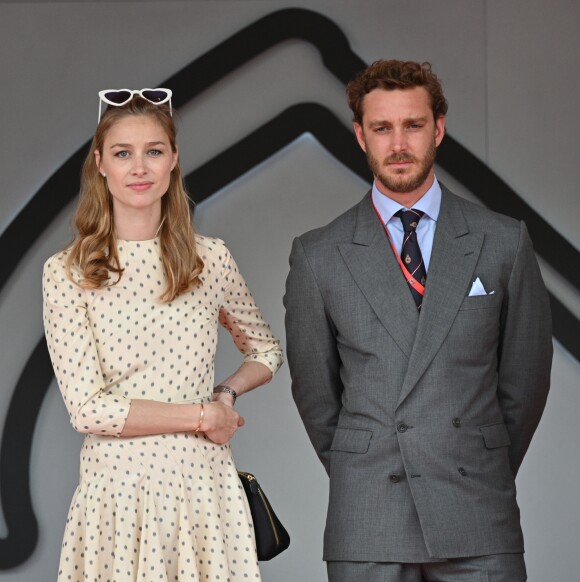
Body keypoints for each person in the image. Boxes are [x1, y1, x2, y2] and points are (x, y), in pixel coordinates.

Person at [284, 60, 552, 582]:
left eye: (413, 125)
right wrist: (363, 468)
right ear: (361, 136)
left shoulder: (503, 240)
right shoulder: (318, 255)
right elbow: (317, 396)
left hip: (477, 509)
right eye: (382, 128)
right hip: (369, 518)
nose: (398, 143)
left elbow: (525, 382)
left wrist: (474, 455)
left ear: (439, 129)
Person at [43, 89, 283, 581]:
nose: (139, 167)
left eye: (153, 151)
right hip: (118, 493)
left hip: (203, 488)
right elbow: (89, 409)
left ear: (173, 160)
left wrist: (226, 392)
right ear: (100, 163)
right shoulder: (67, 272)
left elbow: (266, 349)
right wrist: (204, 415)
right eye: (122, 153)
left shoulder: (209, 258)